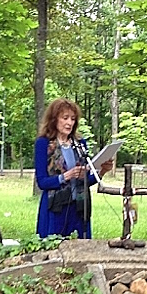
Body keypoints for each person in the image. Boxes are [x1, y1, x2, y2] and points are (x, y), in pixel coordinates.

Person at [34, 98, 111, 238]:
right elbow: (42, 182)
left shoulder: (80, 143)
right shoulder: (43, 143)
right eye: (65, 118)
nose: (69, 123)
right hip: (55, 208)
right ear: (54, 119)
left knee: (81, 247)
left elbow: (86, 181)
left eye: (73, 119)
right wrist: (66, 176)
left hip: (79, 209)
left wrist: (102, 171)